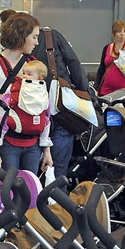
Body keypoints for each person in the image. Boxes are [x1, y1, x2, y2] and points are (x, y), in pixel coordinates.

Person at [0, 12, 52, 173]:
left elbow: (43, 108)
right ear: (22, 35)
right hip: (6, 143)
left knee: (30, 191)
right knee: (7, 192)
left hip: (33, 144)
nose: (36, 42)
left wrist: (46, 150)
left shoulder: (32, 65)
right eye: (34, 37)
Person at [31, 23, 89, 180]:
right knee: (58, 172)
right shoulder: (51, 35)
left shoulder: (19, 44)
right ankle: (57, 202)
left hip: (33, 114)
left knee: (30, 172)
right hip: (62, 108)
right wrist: (87, 94)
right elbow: (74, 63)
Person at [0, 60, 52, 150]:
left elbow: (13, 101)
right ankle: (44, 139)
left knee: (2, 120)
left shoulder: (19, 86)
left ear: (40, 77)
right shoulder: (43, 91)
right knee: (47, 122)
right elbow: (47, 107)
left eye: (29, 74)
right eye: (24, 73)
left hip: (19, 124)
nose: (24, 76)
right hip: (38, 125)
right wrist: (46, 116)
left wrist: (4, 98)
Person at [94, 20, 125, 96]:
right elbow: (101, 68)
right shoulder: (107, 48)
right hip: (106, 90)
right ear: (114, 33)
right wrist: (96, 87)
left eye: (124, 31)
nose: (122, 34)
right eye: (119, 32)